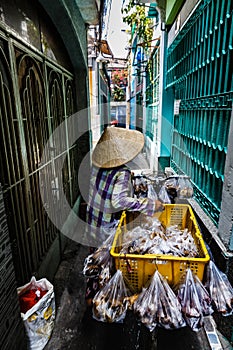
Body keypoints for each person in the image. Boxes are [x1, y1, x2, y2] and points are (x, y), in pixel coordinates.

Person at [85, 126, 164, 305]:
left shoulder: (97, 165)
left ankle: (91, 296)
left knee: (95, 261)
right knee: (108, 263)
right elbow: (118, 202)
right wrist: (151, 204)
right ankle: (107, 303)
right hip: (106, 225)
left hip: (92, 219)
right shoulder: (122, 172)